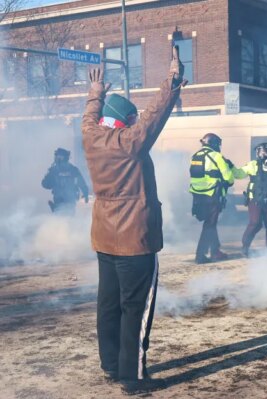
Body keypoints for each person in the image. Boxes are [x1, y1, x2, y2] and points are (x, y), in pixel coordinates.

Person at [82, 46, 185, 394]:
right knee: (135, 310)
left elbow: (88, 117)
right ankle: (133, 378)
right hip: (134, 241)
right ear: (126, 121)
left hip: (104, 238)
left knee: (108, 304)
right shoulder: (131, 141)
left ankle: (111, 365)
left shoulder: (91, 137)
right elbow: (154, 116)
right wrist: (171, 80)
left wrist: (95, 95)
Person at [189, 133, 234, 264]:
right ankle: (200, 255)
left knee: (210, 224)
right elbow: (229, 178)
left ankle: (215, 251)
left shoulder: (195, 156)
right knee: (209, 225)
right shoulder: (217, 156)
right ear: (214, 143)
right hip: (212, 195)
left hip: (197, 196)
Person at [41, 147, 89, 215]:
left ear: (65, 157)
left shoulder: (72, 170)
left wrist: (86, 194)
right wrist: (52, 180)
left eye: (60, 157)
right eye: (57, 156)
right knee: (60, 219)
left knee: (68, 218)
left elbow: (81, 182)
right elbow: (45, 184)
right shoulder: (54, 170)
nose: (58, 158)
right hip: (59, 201)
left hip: (70, 201)